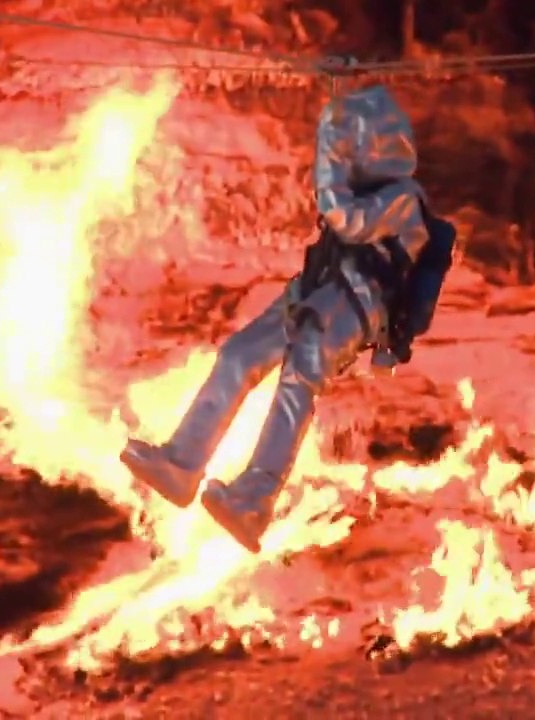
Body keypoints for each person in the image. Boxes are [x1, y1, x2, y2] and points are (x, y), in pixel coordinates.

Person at [120, 84, 455, 553]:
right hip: (314, 293)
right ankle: (180, 465)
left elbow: (346, 219)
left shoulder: (403, 199)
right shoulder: (364, 185)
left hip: (348, 308)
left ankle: (253, 503)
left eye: (352, 139)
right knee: (238, 356)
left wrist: (328, 150)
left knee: (296, 384)